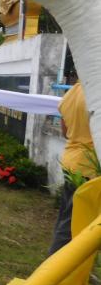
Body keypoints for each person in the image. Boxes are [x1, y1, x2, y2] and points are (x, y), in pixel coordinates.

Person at [49, 78, 96, 255]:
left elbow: (65, 131)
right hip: (88, 168)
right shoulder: (95, 94)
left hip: (70, 161)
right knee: (73, 225)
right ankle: (55, 272)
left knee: (65, 217)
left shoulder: (72, 92)